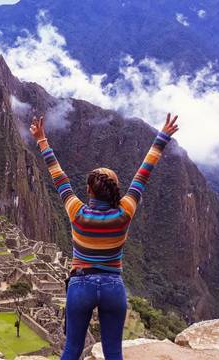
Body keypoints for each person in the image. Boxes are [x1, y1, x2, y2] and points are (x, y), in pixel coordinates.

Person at [30, 113, 179, 360]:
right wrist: (162, 137)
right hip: (112, 287)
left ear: (88, 190)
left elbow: (58, 176)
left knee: (72, 349)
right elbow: (144, 173)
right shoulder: (125, 212)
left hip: (80, 285)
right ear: (116, 190)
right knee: (113, 352)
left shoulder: (75, 211)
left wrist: (41, 140)